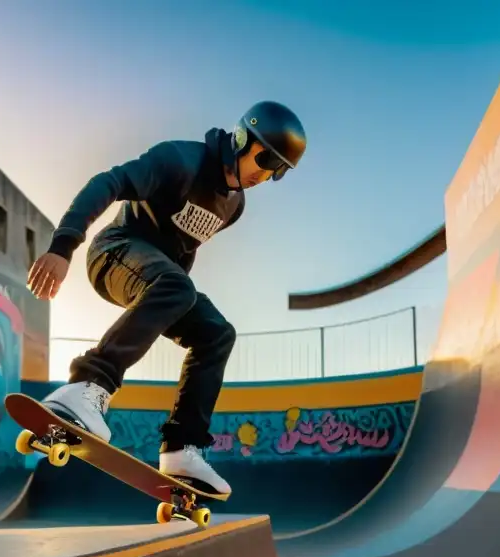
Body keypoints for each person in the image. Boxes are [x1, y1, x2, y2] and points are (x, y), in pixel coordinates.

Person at [26, 101, 307, 495]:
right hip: (113, 252)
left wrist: (171, 309)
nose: (266, 173)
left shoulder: (234, 205)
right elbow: (109, 181)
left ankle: (182, 447)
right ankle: (86, 388)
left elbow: (183, 249)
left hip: (161, 278)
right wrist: (63, 245)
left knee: (217, 333)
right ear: (242, 138)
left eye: (278, 171)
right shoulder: (181, 160)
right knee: (178, 287)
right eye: (265, 159)